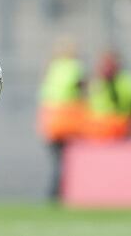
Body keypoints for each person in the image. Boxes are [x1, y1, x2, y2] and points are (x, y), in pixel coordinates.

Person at [36, 38, 85, 201]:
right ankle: (58, 193)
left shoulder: (53, 67)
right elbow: (82, 89)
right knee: (64, 161)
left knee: (57, 160)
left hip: (50, 120)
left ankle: (55, 192)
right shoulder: (75, 67)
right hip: (68, 120)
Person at [84, 50, 131, 140]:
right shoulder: (97, 82)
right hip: (97, 129)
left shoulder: (126, 82)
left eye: (109, 64)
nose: (106, 68)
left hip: (119, 127)